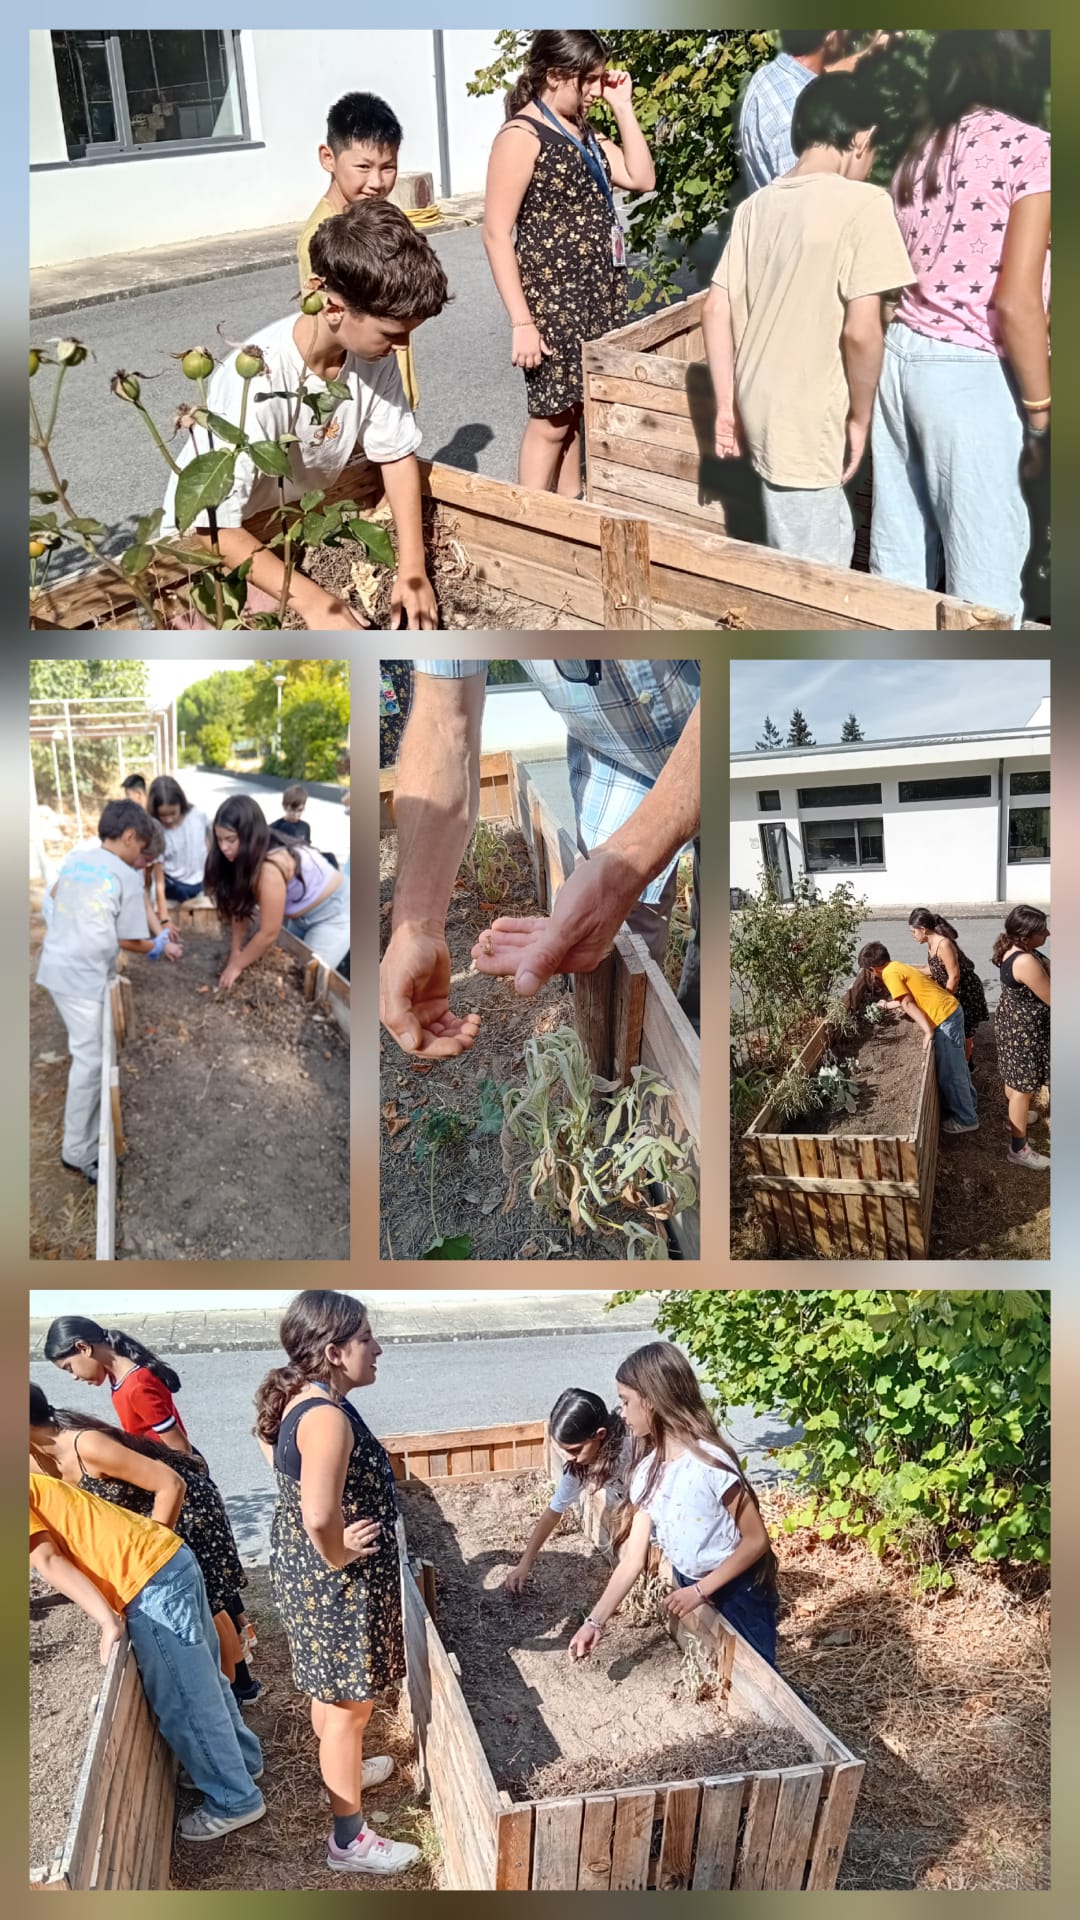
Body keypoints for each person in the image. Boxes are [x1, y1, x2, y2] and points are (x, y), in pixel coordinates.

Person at [379, 660, 700, 1059]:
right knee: (618, 941)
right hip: (617, 761)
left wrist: (631, 856)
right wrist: (417, 924)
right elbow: (444, 723)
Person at [163, 200, 447, 631]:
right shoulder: (255, 381)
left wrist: (412, 568)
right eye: (393, 333)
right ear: (332, 307)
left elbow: (395, 453)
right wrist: (315, 604)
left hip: (284, 529)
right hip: (211, 552)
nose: (403, 347)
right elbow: (213, 527)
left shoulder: (372, 355)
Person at [869, 31, 1051, 625]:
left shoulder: (920, 147)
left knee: (898, 571)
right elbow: (1017, 302)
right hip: (970, 371)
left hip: (900, 358)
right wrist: (1043, 410)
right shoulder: (1032, 149)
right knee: (985, 585)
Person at [704, 74, 915, 568]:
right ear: (860, 138)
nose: (872, 161)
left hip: (762, 406)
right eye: (874, 148)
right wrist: (861, 418)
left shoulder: (756, 206)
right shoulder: (864, 204)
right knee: (813, 573)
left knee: (802, 537)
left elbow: (715, 308)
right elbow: (861, 331)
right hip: (813, 416)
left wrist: (724, 406)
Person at [253, 1290, 419, 1876]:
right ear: (334, 1351)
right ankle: (348, 1841)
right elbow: (321, 1516)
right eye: (367, 1338)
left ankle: (341, 1768)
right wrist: (339, 1552)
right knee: (350, 1704)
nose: (378, 1348)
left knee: (333, 1697)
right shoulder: (325, 1418)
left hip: (309, 1574)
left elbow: (273, 1455)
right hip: (335, 1584)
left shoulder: (303, 1398)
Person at [29, 1471, 264, 1842]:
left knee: (185, 1701)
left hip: (148, 1584)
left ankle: (234, 1799)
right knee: (206, 1683)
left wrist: (107, 1622)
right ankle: (243, 1763)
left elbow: (47, 1558)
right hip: (167, 1555)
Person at [43, 1315, 257, 1700]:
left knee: (213, 1602)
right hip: (169, 1483)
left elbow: (179, 1450)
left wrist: (154, 1513)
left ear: (83, 1348)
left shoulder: (137, 1384)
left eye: (69, 1367)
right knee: (215, 1599)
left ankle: (239, 1686)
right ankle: (240, 1677)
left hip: (183, 1493)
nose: (73, 1376)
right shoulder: (119, 1379)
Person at [483, 30, 654, 494]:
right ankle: (532, 523)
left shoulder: (584, 131)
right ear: (557, 75)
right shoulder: (521, 135)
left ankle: (570, 512)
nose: (598, 91)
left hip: (596, 292)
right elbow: (496, 233)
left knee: (578, 409)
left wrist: (624, 107)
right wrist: (522, 321)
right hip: (553, 300)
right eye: (591, 81)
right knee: (551, 417)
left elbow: (641, 177)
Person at [568, 1344, 779, 1667]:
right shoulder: (647, 1472)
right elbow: (632, 1561)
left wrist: (701, 1591)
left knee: (757, 1674)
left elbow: (756, 1541)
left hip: (738, 1591)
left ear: (652, 1402)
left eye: (626, 1402)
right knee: (711, 1665)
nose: (621, 1413)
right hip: (689, 1580)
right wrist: (594, 1622)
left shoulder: (710, 1464)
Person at [36, 800, 183, 1185]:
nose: (142, 859)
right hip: (82, 979)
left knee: (87, 1053)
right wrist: (153, 946)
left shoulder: (77, 860)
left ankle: (81, 1141)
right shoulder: (125, 875)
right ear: (131, 837)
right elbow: (131, 939)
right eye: (142, 849)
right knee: (90, 1062)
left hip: (56, 966)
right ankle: (77, 1151)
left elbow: (53, 897)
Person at [298, 90, 419, 412]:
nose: (377, 182)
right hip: (356, 400)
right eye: (363, 166)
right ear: (328, 158)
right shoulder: (322, 235)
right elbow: (327, 325)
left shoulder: (381, 219)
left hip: (390, 386)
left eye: (388, 166)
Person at [205, 793, 350, 984]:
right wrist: (235, 952)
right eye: (219, 839)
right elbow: (240, 909)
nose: (223, 847)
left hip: (335, 913)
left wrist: (237, 966)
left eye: (230, 839)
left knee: (310, 980)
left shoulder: (269, 867)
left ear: (249, 835)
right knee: (295, 968)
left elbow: (269, 932)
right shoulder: (244, 856)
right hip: (300, 915)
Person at [736, 30, 902, 193]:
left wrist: (873, 51)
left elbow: (828, 74)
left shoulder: (771, 76)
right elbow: (807, 202)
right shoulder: (793, 114)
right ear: (830, 36)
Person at [503, 1389, 631, 1592]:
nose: (569, 1457)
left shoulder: (631, 1448)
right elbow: (553, 1513)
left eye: (575, 1450)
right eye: (564, 1450)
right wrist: (524, 1564)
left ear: (600, 1435)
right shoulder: (580, 1466)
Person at [857, 940, 979, 1132]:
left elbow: (906, 1003)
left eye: (869, 972)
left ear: (873, 969)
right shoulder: (896, 966)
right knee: (958, 1067)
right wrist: (888, 1005)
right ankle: (970, 1105)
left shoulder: (888, 974)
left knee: (951, 1074)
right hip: (949, 1010)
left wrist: (927, 1031)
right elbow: (909, 996)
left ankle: (967, 1119)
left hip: (944, 1017)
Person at [992, 905, 1050, 1170]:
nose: (1048, 933)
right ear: (1025, 936)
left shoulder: (1014, 949)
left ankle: (1018, 1117)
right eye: (1042, 931)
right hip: (1024, 1032)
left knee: (1013, 1079)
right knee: (1022, 1089)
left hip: (1012, 1025)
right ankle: (1018, 1148)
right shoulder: (1025, 960)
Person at [908, 908, 988, 1067]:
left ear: (923, 930)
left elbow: (954, 976)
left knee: (966, 1031)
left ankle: (967, 1067)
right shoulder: (931, 944)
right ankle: (966, 1061)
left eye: (913, 931)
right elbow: (934, 969)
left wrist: (944, 999)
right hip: (954, 990)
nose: (912, 935)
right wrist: (907, 969)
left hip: (965, 990)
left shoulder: (943, 944)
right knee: (961, 1029)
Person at [147, 775, 211, 903]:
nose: (169, 819)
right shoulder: (157, 832)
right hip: (172, 890)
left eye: (173, 813)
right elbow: (158, 880)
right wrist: (164, 916)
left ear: (181, 804)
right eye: (163, 815)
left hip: (199, 885)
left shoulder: (198, 817)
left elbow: (208, 844)